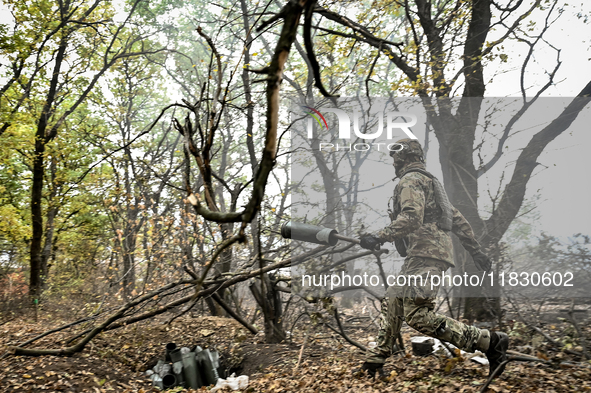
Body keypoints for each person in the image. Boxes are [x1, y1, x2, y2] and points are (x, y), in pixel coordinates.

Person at [355, 138, 509, 380]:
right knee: (393, 300)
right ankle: (376, 360)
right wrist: (476, 251)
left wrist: (379, 236)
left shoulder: (410, 180)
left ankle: (489, 341)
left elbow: (412, 217)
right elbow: (457, 220)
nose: (393, 163)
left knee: (418, 314)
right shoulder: (432, 184)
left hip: (427, 256)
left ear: (402, 159)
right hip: (421, 256)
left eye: (395, 158)